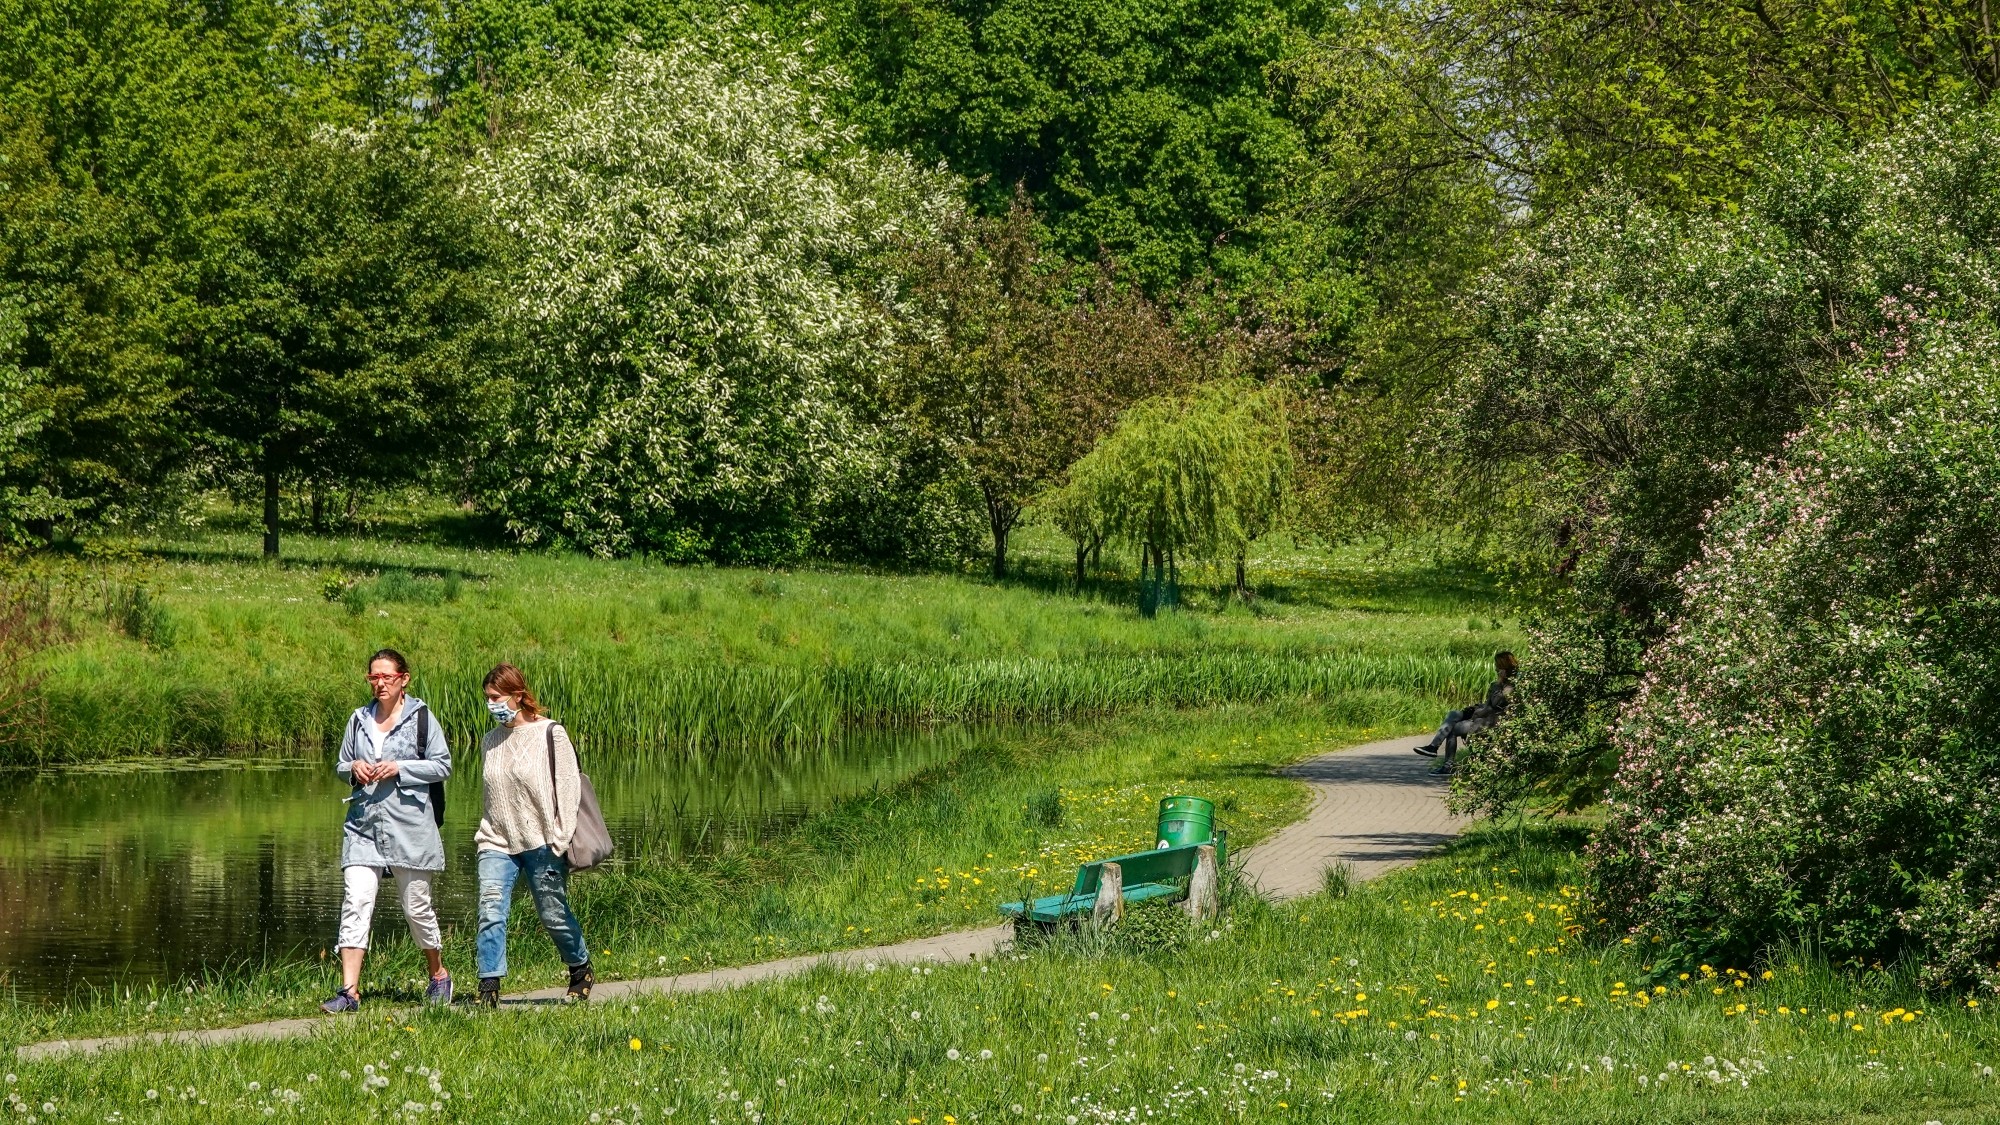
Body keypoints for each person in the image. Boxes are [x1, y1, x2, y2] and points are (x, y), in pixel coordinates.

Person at [322, 648, 453, 1013]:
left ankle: (438, 974)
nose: (379, 683)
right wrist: (354, 769)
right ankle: (349, 992)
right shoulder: (358, 718)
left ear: (403, 679)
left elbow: (442, 765)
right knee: (357, 901)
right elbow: (340, 765)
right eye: (373, 677)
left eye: (386, 677)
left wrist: (400, 768)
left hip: (409, 827)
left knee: (416, 908)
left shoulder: (422, 718)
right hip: (363, 825)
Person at [473, 663, 594, 1007]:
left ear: (517, 695)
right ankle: (488, 987)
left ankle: (580, 967)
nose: (491, 704)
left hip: (543, 842)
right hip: (496, 841)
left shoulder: (551, 734)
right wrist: (487, 832)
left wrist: (559, 837)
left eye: (496, 697)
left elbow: (569, 789)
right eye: (487, 698)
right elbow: (491, 795)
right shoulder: (490, 741)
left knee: (553, 913)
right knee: (490, 910)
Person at [1414, 651, 1517, 776]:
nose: (1495, 668)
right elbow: (1487, 705)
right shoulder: (1497, 684)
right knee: (1454, 714)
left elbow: (1495, 705)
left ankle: (1447, 766)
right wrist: (1475, 708)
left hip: (1493, 721)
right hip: (1484, 716)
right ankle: (1433, 747)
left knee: (1454, 729)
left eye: (1497, 665)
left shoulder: (1511, 685)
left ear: (1503, 666)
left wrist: (1478, 711)